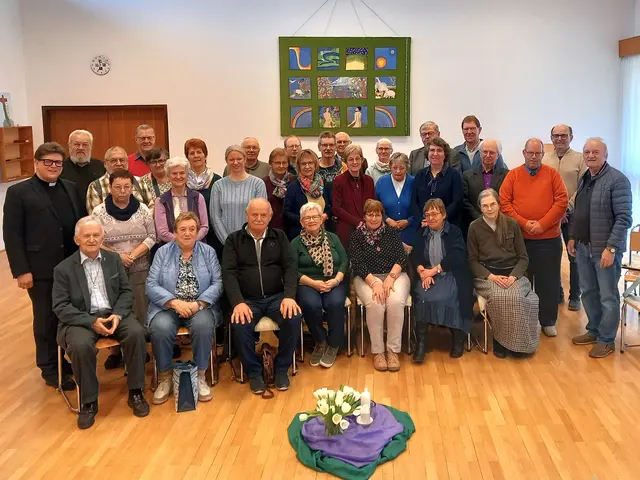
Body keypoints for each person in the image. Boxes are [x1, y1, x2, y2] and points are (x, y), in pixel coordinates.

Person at [53, 217, 149, 429]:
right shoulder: (63, 269)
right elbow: (61, 306)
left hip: (113, 314)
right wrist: (91, 321)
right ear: (77, 239)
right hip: (81, 319)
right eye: (86, 235)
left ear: (102, 238)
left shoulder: (113, 260)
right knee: (80, 345)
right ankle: (88, 402)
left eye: (96, 235)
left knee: (136, 333)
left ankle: (136, 392)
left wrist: (118, 315)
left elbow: (126, 292)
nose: (91, 239)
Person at [3, 142, 84, 391]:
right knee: (46, 318)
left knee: (68, 314)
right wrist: (21, 270)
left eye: (58, 162)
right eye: (48, 161)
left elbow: (79, 224)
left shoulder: (70, 187)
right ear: (37, 162)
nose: (53, 166)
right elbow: (12, 235)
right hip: (40, 269)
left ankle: (63, 360)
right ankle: (49, 368)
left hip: (70, 266)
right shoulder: (19, 192)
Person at [222, 198, 302, 394]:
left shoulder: (279, 237)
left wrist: (289, 296)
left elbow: (290, 268)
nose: (258, 218)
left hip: (276, 297)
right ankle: (254, 372)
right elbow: (228, 273)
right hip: (247, 300)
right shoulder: (233, 240)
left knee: (293, 317)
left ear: (270, 216)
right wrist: (238, 302)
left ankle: (281, 369)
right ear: (246, 215)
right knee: (240, 323)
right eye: (254, 214)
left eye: (263, 215)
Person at [147, 212, 223, 403]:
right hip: (168, 307)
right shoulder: (162, 253)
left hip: (200, 307)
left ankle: (200, 376)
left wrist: (198, 304)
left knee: (203, 326)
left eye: (192, 229)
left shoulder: (208, 252)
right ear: (175, 232)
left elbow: (218, 283)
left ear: (198, 232)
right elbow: (151, 284)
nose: (187, 233)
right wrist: (174, 302)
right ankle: (165, 377)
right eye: (183, 229)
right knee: (160, 328)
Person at [568, 138, 632, 358]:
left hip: (605, 250)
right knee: (588, 292)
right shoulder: (585, 179)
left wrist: (611, 248)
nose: (591, 155)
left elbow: (623, 218)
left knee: (608, 296)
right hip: (583, 247)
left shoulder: (617, 180)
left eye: (595, 152)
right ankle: (594, 330)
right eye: (587, 152)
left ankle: (606, 339)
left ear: (606, 154)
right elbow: (578, 212)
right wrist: (573, 237)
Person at [500, 138, 568, 337]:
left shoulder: (552, 174)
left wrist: (542, 224)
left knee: (549, 281)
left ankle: (548, 321)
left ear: (542, 155)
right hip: (521, 240)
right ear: (524, 153)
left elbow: (561, 202)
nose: (533, 157)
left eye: (538, 153)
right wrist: (524, 223)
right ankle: (525, 320)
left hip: (549, 239)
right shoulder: (513, 175)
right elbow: (504, 203)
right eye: (530, 153)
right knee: (523, 282)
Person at [467, 189, 540, 358]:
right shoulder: (474, 227)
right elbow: (472, 260)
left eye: (492, 204)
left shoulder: (512, 224)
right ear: (480, 208)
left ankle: (520, 345)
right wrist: (491, 276)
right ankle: (500, 341)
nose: (489, 208)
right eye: (485, 206)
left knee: (518, 297)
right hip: (487, 276)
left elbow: (523, 257)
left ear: (499, 204)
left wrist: (513, 276)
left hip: (513, 273)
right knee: (500, 297)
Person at [409, 199, 473, 362]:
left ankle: (457, 339)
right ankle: (421, 343)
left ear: (443, 214)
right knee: (422, 297)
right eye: (427, 215)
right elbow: (414, 256)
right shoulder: (421, 233)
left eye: (434, 214)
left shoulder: (455, 232)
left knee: (452, 296)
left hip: (451, 274)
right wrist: (422, 272)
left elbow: (457, 256)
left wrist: (434, 271)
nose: (431, 218)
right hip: (427, 276)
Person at [349, 200, 410, 371]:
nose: (374, 218)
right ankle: (378, 352)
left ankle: (392, 351)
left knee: (395, 302)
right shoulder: (356, 236)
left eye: (377, 214)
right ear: (364, 216)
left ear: (382, 216)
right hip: (366, 277)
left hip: (395, 275)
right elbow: (357, 263)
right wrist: (374, 282)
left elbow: (401, 258)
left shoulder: (391, 232)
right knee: (376, 303)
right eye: (370, 214)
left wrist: (391, 277)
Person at [92, 169, 156, 325]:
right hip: (111, 268)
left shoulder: (143, 209)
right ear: (110, 188)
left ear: (132, 188)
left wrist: (132, 256)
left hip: (140, 268)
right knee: (115, 310)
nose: (122, 191)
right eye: (117, 187)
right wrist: (118, 256)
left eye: (127, 186)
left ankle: (142, 337)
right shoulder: (98, 212)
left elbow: (152, 236)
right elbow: (95, 241)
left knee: (141, 308)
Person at [292, 203, 348, 368]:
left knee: (335, 303)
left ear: (321, 219)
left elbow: (344, 261)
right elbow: (291, 270)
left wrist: (337, 280)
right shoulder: (295, 243)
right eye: (307, 218)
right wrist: (313, 283)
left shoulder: (333, 238)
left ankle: (334, 344)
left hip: (334, 280)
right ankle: (320, 341)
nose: (311, 220)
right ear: (301, 222)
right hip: (307, 283)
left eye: (315, 217)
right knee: (310, 304)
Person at [542, 124, 587, 311]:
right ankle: (557, 292)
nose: (559, 138)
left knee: (574, 256)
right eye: (556, 135)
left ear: (571, 137)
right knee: (551, 256)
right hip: (550, 215)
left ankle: (575, 295)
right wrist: (554, 211)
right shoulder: (545, 158)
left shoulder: (580, 159)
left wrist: (565, 209)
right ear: (551, 138)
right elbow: (542, 187)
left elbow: (583, 187)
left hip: (572, 216)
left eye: (564, 135)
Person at [211, 145, 268, 245]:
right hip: (226, 243)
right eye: (231, 159)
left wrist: (251, 240)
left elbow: (262, 215)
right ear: (226, 161)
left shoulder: (258, 184)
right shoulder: (218, 185)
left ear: (245, 159)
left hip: (252, 242)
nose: (235, 162)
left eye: (239, 159)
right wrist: (228, 242)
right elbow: (215, 217)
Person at [411, 137, 464, 227]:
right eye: (432, 150)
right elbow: (414, 202)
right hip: (423, 225)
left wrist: (440, 219)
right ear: (427, 154)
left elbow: (457, 202)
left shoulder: (454, 175)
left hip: (447, 225)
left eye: (439, 150)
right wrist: (422, 219)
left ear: (445, 154)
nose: (435, 153)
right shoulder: (420, 175)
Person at [155, 156, 209, 244]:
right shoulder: (161, 201)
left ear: (187, 175)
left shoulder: (198, 197)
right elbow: (162, 233)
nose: (178, 176)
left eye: (182, 173)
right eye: (174, 173)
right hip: (171, 248)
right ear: (168, 176)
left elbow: (204, 227)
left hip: (196, 246)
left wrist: (191, 241)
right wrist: (183, 242)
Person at [332, 144, 376, 248]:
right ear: (346, 162)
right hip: (346, 228)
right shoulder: (339, 180)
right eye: (351, 159)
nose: (355, 162)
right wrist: (357, 222)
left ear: (362, 160)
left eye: (357, 158)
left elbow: (372, 205)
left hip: (367, 227)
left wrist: (367, 222)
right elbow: (336, 208)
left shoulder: (369, 180)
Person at [184, 138, 222, 255]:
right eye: (192, 153)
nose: (196, 156)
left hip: (213, 235)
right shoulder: (182, 181)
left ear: (205, 155)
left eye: (199, 152)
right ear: (187, 157)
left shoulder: (217, 180)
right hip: (188, 234)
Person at [86, 146, 151, 214]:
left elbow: (150, 207)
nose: (119, 164)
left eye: (122, 160)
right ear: (105, 164)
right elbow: (95, 216)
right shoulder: (95, 186)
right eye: (113, 161)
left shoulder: (140, 182)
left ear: (127, 162)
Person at [283, 149, 332, 240]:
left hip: (323, 234)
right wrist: (305, 220)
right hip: (300, 235)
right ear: (299, 166)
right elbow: (287, 212)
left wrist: (326, 215)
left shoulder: (325, 184)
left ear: (315, 164)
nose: (307, 166)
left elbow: (331, 207)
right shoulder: (293, 187)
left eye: (310, 163)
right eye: (303, 164)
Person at [463, 139, 509, 228]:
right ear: (480, 153)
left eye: (492, 153)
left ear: (498, 155)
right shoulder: (467, 175)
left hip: (500, 224)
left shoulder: (507, 175)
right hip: (475, 224)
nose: (488, 155)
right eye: (485, 152)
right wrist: (480, 218)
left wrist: (495, 217)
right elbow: (465, 201)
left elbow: (507, 200)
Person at [375, 152, 415, 246]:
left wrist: (408, 221)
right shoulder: (381, 182)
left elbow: (420, 206)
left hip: (410, 233)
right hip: (385, 233)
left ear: (407, 168)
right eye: (394, 167)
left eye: (402, 168)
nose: (398, 171)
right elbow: (375, 206)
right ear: (390, 167)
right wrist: (387, 219)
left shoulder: (414, 182)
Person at [60, 129, 106, 201]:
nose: (81, 148)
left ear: (91, 146)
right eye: (76, 144)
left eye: (85, 145)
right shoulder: (60, 167)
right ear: (69, 146)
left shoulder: (102, 167)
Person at [263, 147, 294, 231]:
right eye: (277, 163)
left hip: (292, 229)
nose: (281, 166)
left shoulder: (294, 181)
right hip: (271, 229)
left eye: (284, 162)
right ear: (270, 163)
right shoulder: (263, 183)